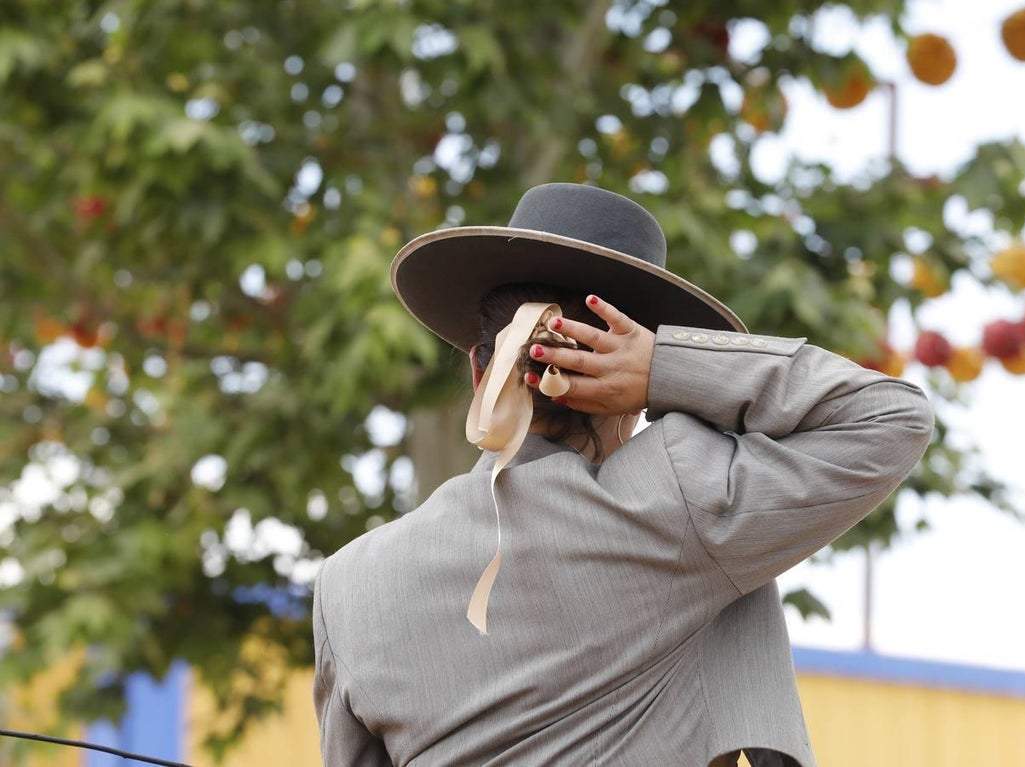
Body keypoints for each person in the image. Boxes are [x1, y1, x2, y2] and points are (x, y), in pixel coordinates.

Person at [311, 183, 934, 766]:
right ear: (625, 387)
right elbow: (892, 415)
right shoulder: (679, 499)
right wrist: (668, 367)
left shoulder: (346, 585)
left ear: (481, 373)